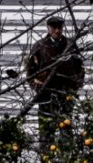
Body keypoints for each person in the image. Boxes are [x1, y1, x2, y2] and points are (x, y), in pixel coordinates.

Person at [26, 16, 84, 150]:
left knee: (66, 129)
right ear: (48, 28)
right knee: (46, 130)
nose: (58, 31)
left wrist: (76, 85)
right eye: (54, 28)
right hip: (46, 94)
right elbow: (30, 70)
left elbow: (79, 66)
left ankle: (67, 158)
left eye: (60, 28)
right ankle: (46, 160)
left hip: (66, 93)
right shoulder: (40, 46)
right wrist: (38, 88)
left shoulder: (70, 44)